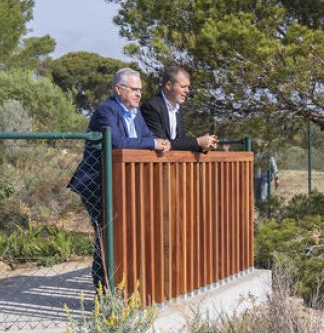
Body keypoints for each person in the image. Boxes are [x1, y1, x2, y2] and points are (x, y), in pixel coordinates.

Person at [69, 67, 170, 289]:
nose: (138, 94)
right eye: (133, 89)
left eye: (140, 90)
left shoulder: (135, 113)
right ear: (118, 89)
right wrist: (154, 143)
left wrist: (158, 142)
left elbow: (145, 137)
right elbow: (117, 143)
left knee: (126, 234)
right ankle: (103, 293)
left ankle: (125, 287)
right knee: (106, 237)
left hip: (123, 185)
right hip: (97, 183)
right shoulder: (107, 111)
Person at [139, 65, 219, 152]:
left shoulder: (178, 107)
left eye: (188, 87)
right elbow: (162, 143)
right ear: (169, 85)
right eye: (183, 86)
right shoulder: (151, 106)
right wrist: (198, 141)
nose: (187, 90)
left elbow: (181, 141)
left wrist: (203, 146)